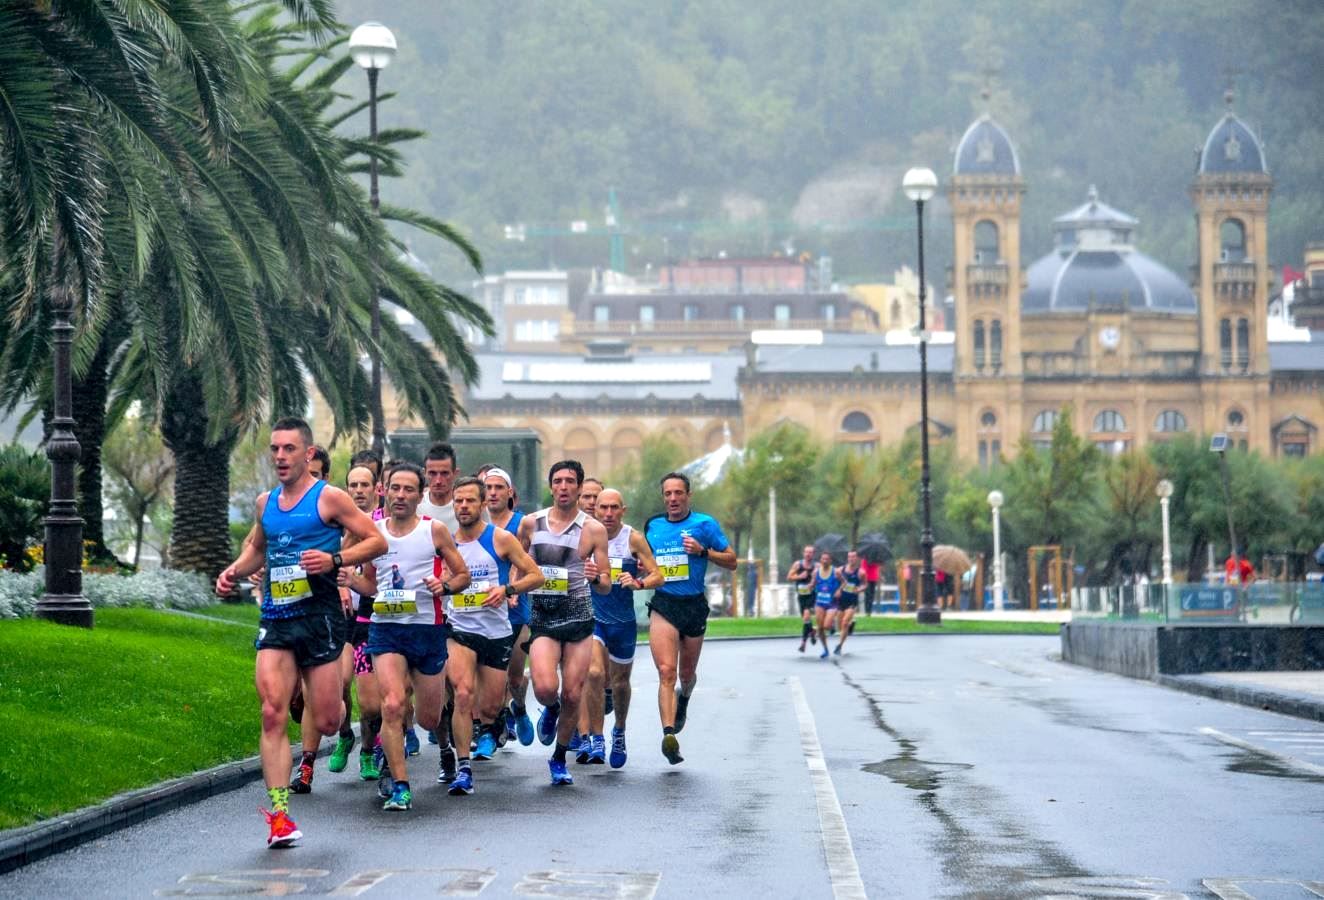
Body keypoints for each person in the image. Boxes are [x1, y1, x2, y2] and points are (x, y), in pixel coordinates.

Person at [215, 417, 387, 848]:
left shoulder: (329, 498)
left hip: (321, 619)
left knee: (327, 719)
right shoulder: (265, 503)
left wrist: (334, 560)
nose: (279, 457)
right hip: (277, 618)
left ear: (308, 454)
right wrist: (234, 571)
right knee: (273, 712)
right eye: (274, 449)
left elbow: (376, 541)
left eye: (288, 449)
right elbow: (258, 547)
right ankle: (279, 815)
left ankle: (342, 725)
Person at [360, 462, 470, 812]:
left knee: (428, 717)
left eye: (409, 489)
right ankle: (400, 785)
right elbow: (369, 583)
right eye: (395, 488)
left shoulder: (434, 530)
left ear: (420, 495)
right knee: (391, 705)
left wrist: (445, 586)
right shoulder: (373, 533)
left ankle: (445, 747)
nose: (401, 495)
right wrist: (351, 583)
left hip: (427, 629)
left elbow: (463, 575)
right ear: (385, 490)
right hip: (386, 630)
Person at [441, 477, 543, 794]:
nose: (463, 506)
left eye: (470, 500)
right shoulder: (444, 542)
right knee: (461, 693)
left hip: (496, 632)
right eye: (458, 501)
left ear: (483, 503)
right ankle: (462, 767)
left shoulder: (500, 538)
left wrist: (507, 589)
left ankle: (495, 722)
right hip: (457, 628)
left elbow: (536, 576)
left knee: (488, 707)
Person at [517, 460, 613, 785]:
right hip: (543, 615)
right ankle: (551, 709)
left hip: (579, 617)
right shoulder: (532, 524)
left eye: (570, 481)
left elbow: (606, 583)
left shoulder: (594, 529)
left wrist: (596, 576)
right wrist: (516, 587)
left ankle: (558, 758)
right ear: (550, 486)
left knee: (574, 693)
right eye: (557, 481)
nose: (563, 486)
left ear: (579, 486)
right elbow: (519, 563)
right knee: (545, 687)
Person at [644, 472, 737, 765]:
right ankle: (669, 734)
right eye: (668, 494)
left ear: (688, 495)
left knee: (685, 675)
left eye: (678, 493)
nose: (673, 499)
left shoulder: (704, 525)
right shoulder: (653, 527)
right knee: (666, 672)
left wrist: (703, 551)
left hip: (694, 605)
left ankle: (684, 697)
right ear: (663, 497)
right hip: (664, 604)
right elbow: (643, 560)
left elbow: (732, 561)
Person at [580, 488, 663, 768]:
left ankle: (619, 730)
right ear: (596, 509)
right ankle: (596, 737)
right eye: (603, 507)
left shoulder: (633, 538)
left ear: (622, 510)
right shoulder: (587, 534)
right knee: (593, 674)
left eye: (614, 508)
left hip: (623, 622)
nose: (608, 513)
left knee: (620, 684)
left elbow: (658, 575)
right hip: (594, 618)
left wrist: (638, 582)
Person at [485, 467, 535, 747]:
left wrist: (513, 587)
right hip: (483, 611)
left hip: (516, 608)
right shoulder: (473, 523)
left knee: (515, 678)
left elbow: (524, 559)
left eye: (498, 487)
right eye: (488, 488)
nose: (493, 493)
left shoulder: (521, 523)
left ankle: (520, 708)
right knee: (493, 676)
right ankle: (496, 724)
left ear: (510, 492)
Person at [340, 464, 383, 781]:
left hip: (372, 616)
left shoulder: (383, 525)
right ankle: (344, 734)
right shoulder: (337, 523)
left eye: (364, 484)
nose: (358, 490)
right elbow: (333, 562)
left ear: (376, 488)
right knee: (339, 685)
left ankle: (369, 750)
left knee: (370, 705)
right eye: (352, 485)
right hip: (340, 618)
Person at [418, 442, 459, 531]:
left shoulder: (466, 506)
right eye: (432, 473)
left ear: (455, 473)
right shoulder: (415, 506)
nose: (438, 481)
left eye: (445, 473)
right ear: (424, 473)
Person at [834, 550, 864, 656]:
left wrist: (859, 589)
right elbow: (833, 582)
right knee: (839, 625)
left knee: (844, 622)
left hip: (852, 600)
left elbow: (865, 585)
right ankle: (851, 624)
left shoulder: (861, 572)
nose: (851, 559)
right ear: (847, 558)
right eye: (849, 557)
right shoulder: (840, 570)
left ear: (857, 558)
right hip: (841, 600)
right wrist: (836, 590)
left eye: (853, 557)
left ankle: (839, 646)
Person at [787, 545, 817, 652]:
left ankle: (803, 644)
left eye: (810, 552)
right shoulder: (798, 564)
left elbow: (823, 578)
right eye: (806, 552)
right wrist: (800, 577)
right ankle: (812, 631)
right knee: (806, 620)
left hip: (812, 595)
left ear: (813, 554)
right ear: (803, 553)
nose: (808, 554)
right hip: (801, 595)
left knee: (806, 617)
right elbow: (789, 577)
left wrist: (814, 578)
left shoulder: (816, 566)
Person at [812, 551, 840, 659]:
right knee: (820, 628)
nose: (824, 561)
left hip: (832, 603)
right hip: (820, 602)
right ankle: (825, 649)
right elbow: (814, 582)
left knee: (826, 626)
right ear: (820, 560)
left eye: (827, 559)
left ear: (830, 560)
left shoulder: (836, 572)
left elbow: (844, 583)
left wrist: (839, 590)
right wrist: (811, 585)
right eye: (823, 559)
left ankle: (832, 624)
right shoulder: (816, 572)